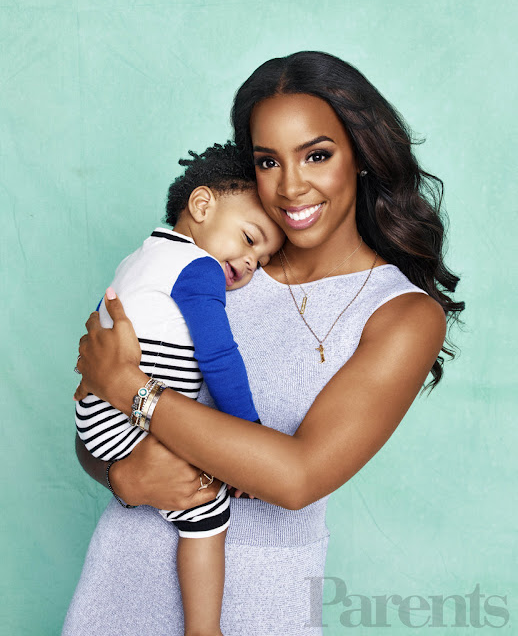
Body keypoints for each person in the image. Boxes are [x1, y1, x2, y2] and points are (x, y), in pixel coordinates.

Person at [64, 51, 464, 636]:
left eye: (317, 155)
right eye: (268, 161)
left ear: (360, 155)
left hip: (258, 609)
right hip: (116, 589)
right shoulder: (224, 262)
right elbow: (94, 422)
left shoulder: (401, 315)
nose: (291, 185)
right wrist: (121, 478)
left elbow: (296, 477)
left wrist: (133, 389)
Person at [74, 140, 285, 636]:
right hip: (125, 421)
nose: (250, 263)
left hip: (95, 417)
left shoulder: (140, 257)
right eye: (250, 239)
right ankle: (204, 628)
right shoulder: (199, 267)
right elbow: (218, 354)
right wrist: (247, 432)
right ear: (202, 205)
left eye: (262, 260)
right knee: (208, 511)